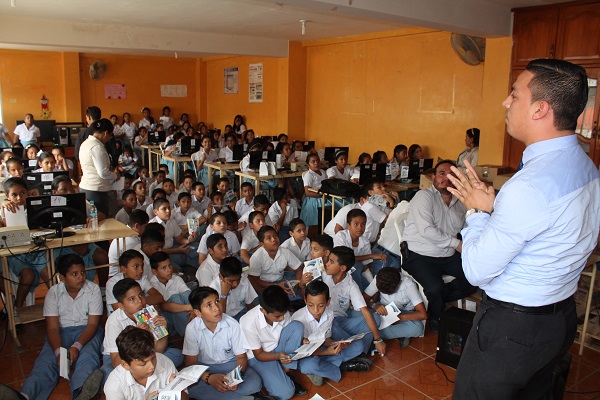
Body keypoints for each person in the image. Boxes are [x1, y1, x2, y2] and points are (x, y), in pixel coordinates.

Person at [446, 59, 600, 399]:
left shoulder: (529, 185)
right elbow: (551, 229)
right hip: (558, 319)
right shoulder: (586, 167)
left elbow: (475, 270)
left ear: (540, 109)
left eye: (514, 94)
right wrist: (497, 207)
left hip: (512, 331)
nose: (505, 102)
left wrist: (476, 212)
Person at [0, 254, 104, 400]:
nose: (81, 277)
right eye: (74, 274)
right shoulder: (53, 293)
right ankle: (25, 396)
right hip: (61, 332)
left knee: (88, 357)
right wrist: (58, 352)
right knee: (46, 362)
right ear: (62, 278)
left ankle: (82, 394)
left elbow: (93, 324)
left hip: (87, 330)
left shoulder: (93, 289)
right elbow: (53, 329)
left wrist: (77, 346)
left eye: (82, 272)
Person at [401, 160, 476, 332]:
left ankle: (437, 298)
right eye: (442, 173)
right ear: (434, 177)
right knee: (435, 287)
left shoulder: (461, 202)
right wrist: (457, 244)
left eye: (452, 175)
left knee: (476, 276)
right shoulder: (423, 196)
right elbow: (427, 230)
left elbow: (467, 228)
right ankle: (436, 315)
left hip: (448, 255)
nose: (446, 178)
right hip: (419, 254)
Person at [183, 286, 263, 400]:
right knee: (190, 388)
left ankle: (225, 395)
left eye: (217, 301)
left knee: (254, 384)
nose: (216, 308)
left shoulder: (232, 324)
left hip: (231, 364)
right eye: (209, 305)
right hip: (205, 367)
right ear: (198, 312)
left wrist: (235, 378)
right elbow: (191, 363)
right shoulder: (192, 328)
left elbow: (241, 357)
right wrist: (209, 378)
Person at [103, 326, 186, 400]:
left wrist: (177, 389)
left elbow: (185, 397)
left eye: (153, 358)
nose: (152, 366)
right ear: (126, 365)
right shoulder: (115, 385)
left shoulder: (163, 362)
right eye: (143, 363)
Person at [78, 118, 121, 217]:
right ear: (106, 133)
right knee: (99, 220)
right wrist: (115, 176)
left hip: (87, 187)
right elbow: (103, 172)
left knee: (92, 220)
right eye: (110, 136)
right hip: (96, 190)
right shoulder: (96, 147)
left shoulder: (85, 143)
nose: (109, 139)